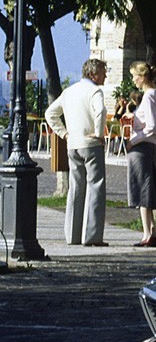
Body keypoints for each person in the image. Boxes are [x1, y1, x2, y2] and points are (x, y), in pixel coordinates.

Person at [44, 58, 109, 247]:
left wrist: (64, 133)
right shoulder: (95, 91)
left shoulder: (69, 91)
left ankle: (72, 234)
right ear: (93, 74)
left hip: (72, 144)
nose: (105, 75)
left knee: (76, 187)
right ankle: (92, 236)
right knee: (96, 186)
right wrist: (98, 133)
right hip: (91, 143)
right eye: (103, 71)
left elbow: (50, 114)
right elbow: (101, 111)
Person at [126, 60, 156, 247]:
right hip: (152, 147)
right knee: (147, 189)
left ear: (142, 77)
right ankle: (153, 231)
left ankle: (147, 233)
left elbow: (150, 126)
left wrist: (133, 140)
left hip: (143, 147)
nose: (133, 80)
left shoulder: (149, 97)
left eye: (135, 76)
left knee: (143, 190)